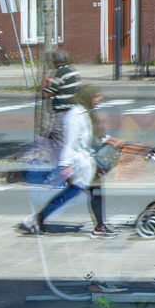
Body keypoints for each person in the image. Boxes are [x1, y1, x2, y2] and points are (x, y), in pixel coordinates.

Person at [19, 55, 111, 237]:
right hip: (78, 164)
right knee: (73, 194)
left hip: (85, 163)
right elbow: (70, 142)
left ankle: (99, 226)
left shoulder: (83, 113)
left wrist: (107, 140)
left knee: (87, 192)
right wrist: (66, 165)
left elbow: (88, 138)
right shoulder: (75, 115)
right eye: (96, 97)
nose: (99, 99)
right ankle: (37, 219)